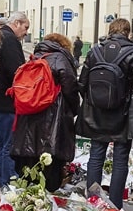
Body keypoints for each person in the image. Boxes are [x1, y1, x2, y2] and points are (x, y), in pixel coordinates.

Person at [76, 18, 133, 208]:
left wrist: (95, 100)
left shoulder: (95, 51)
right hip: (123, 114)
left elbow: (82, 83)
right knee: (120, 160)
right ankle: (115, 205)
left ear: (109, 31)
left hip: (97, 113)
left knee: (95, 156)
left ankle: (93, 201)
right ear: (128, 33)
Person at [10, 33, 80, 191]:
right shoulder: (60, 59)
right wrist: (74, 111)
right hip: (53, 122)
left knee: (29, 171)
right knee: (50, 171)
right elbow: (71, 89)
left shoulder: (34, 58)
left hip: (27, 122)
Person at [0, 13, 29, 186]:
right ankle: (4, 182)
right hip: (7, 100)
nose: (26, 32)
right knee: (7, 145)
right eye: (25, 27)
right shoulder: (9, 40)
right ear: (17, 23)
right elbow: (16, 71)